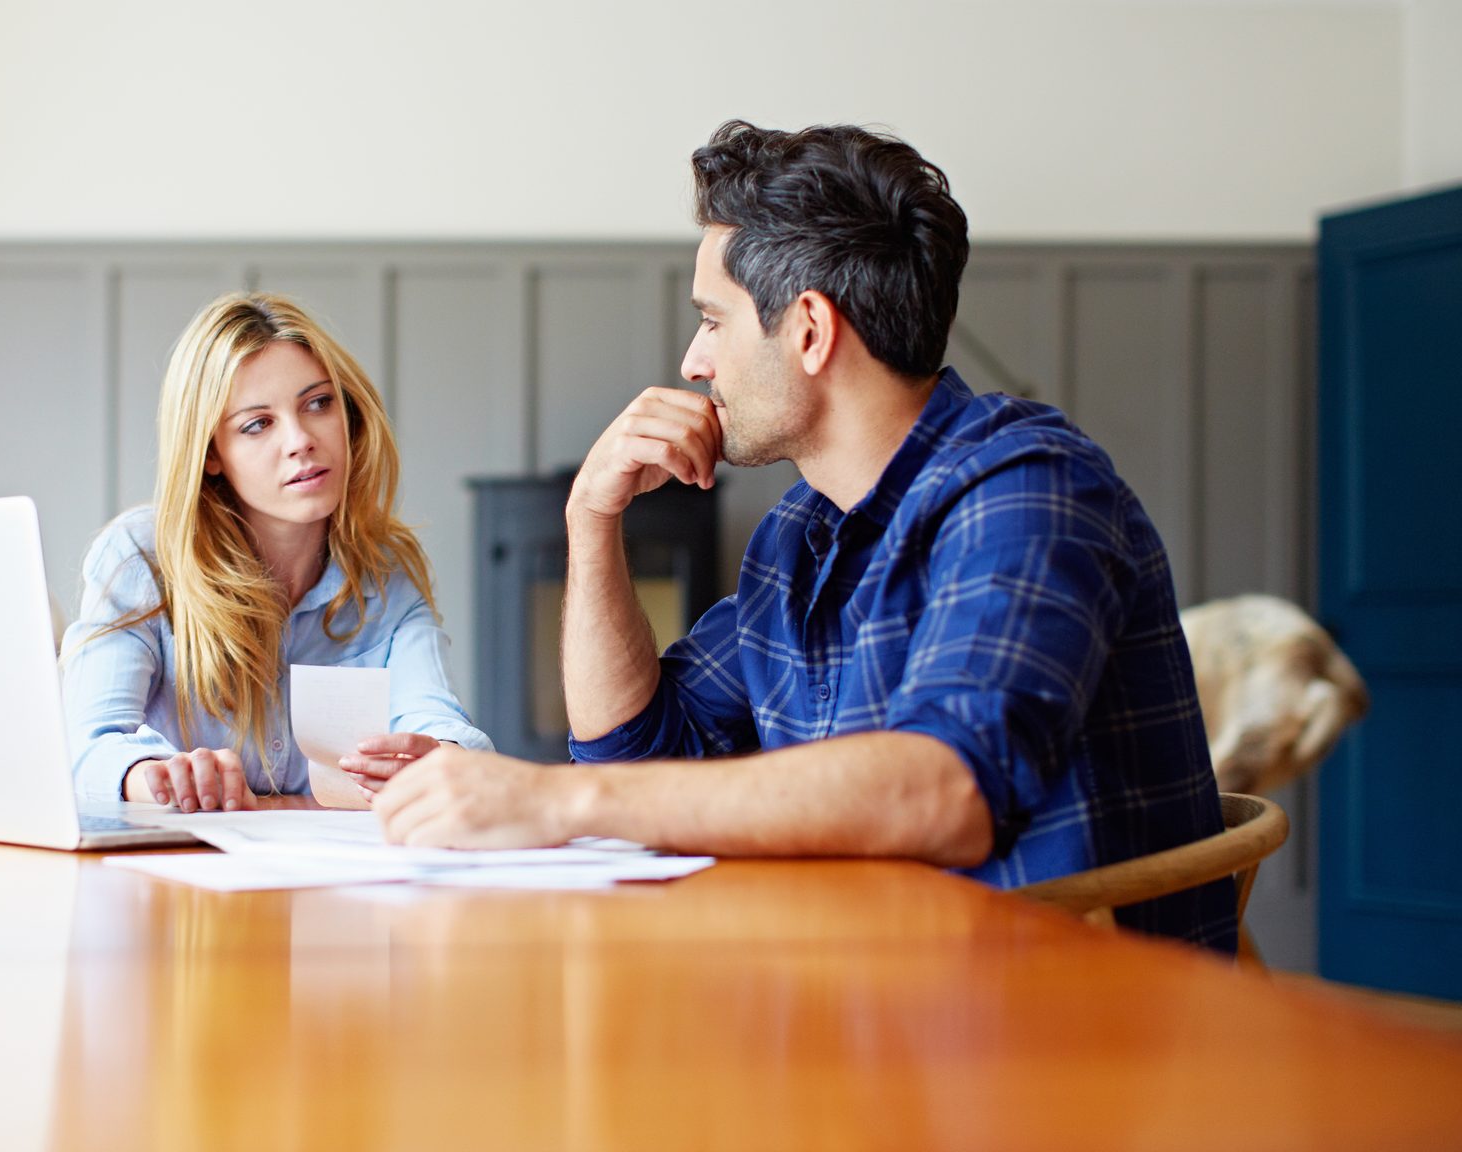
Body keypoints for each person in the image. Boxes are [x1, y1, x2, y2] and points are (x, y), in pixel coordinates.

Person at [375, 121, 1235, 950]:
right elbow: (639, 748)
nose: (692, 362)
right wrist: (590, 521)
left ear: (811, 332)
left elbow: (948, 791)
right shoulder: (802, 533)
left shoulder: (1029, 490)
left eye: (713, 321)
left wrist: (556, 803)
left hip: (1063, 1044)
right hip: (870, 1002)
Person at [63, 292, 490, 812]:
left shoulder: (386, 570)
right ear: (212, 454)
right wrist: (152, 776)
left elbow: (438, 721)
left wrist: (439, 758)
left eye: (318, 403)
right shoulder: (140, 558)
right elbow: (84, 749)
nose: (301, 440)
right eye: (257, 424)